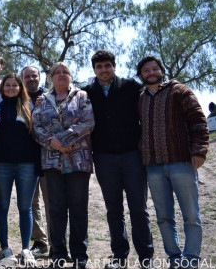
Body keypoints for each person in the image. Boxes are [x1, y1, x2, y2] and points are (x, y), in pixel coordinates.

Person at [82, 50, 154, 269]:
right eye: (99, 67)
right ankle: (119, 256)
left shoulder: (131, 86)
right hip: (103, 157)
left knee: (138, 208)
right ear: (94, 69)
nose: (104, 70)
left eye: (107, 66)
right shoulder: (87, 92)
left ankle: (146, 257)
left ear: (114, 66)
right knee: (114, 209)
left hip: (132, 155)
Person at [136, 56, 209, 269]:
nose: (151, 73)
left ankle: (192, 257)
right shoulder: (140, 98)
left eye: (154, 69)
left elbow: (198, 121)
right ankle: (174, 257)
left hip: (182, 162)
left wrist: (199, 151)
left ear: (161, 70)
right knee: (164, 216)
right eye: (146, 70)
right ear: (140, 75)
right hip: (154, 165)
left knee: (191, 214)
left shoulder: (180, 91)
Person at [32, 62, 94, 269]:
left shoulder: (81, 96)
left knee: (78, 208)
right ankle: (58, 254)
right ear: (50, 78)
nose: (61, 75)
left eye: (64, 72)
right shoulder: (42, 101)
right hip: (52, 162)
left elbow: (88, 122)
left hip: (78, 161)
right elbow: (36, 126)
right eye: (56, 72)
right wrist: (54, 144)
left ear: (70, 76)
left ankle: (79, 256)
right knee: (56, 209)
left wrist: (63, 140)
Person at [0, 74, 40, 266]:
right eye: (8, 85)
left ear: (20, 88)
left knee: (25, 208)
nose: (11, 88)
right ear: (2, 88)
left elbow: (37, 138)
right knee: (2, 207)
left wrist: (38, 165)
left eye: (15, 85)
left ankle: (26, 249)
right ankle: (5, 248)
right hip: (3, 164)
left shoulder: (30, 108)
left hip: (27, 165)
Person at [22, 65, 50, 257]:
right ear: (22, 79)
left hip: (49, 156)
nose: (31, 79)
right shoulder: (18, 98)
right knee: (32, 202)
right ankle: (40, 241)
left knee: (53, 201)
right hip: (27, 159)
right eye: (27, 76)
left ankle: (58, 240)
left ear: (40, 77)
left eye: (34, 76)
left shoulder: (50, 97)